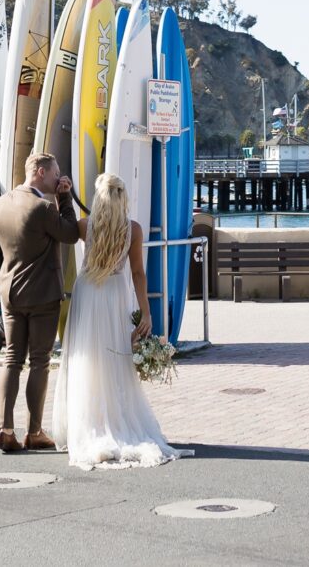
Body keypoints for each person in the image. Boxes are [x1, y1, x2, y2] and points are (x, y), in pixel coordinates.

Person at [52, 173, 181, 470]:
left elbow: (65, 223)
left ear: (98, 198)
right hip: (113, 295)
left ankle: (88, 422)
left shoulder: (86, 227)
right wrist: (146, 313)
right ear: (123, 197)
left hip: (88, 293)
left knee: (87, 359)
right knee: (113, 361)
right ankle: (114, 419)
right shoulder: (132, 230)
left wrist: (63, 194)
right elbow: (138, 273)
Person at [0, 152, 79, 453]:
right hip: (42, 296)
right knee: (39, 361)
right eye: (55, 174)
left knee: (12, 359)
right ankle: (35, 431)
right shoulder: (41, 208)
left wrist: (4, 282)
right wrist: (64, 199)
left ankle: (5, 429)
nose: (58, 179)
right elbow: (70, 233)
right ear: (40, 172)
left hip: (10, 293)